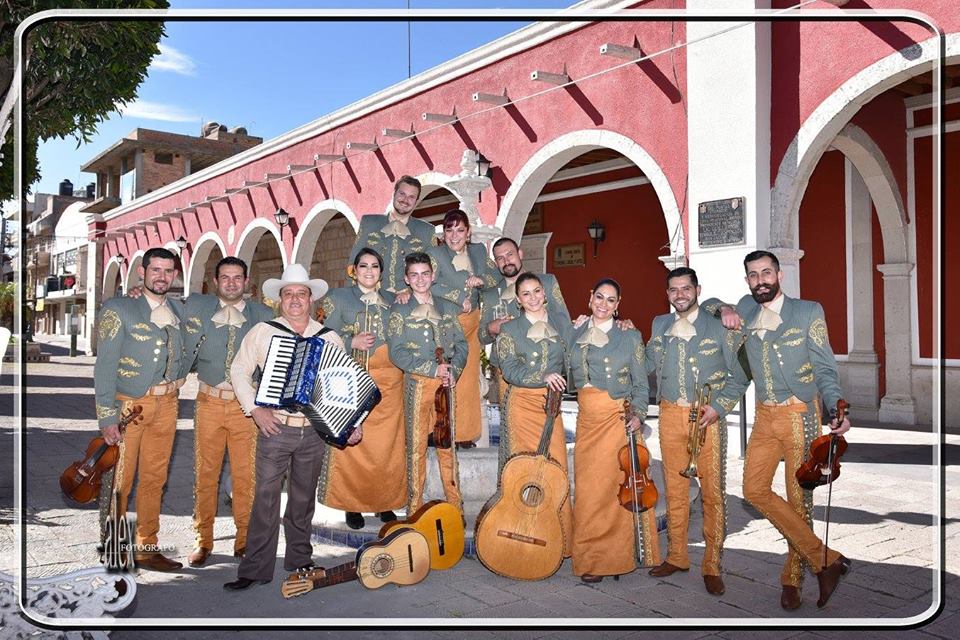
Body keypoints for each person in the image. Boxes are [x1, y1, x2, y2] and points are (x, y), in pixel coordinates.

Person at [702, 250, 852, 610]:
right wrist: (724, 309)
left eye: (766, 273)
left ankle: (793, 578)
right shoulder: (745, 308)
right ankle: (826, 559)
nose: (761, 281)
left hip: (799, 415)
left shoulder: (807, 311)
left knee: (799, 500)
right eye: (753, 275)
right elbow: (708, 306)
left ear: (780, 275)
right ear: (747, 281)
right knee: (753, 490)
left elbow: (825, 368)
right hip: (764, 417)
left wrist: (836, 406)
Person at [224, 263, 360, 591]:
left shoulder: (329, 337)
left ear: (311, 299)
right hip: (276, 427)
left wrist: (350, 423)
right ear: (280, 299)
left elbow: (340, 386)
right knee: (266, 498)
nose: (295, 299)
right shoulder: (263, 331)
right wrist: (255, 409)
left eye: (301, 293)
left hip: (313, 431)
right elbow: (239, 370)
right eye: (288, 294)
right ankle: (255, 568)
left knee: (303, 499)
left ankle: (300, 559)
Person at [645, 267, 742, 596]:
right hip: (669, 414)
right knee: (674, 490)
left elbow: (740, 374)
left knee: (713, 493)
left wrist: (720, 407)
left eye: (686, 288)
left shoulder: (719, 323)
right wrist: (618, 336)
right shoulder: (660, 324)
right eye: (674, 290)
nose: (680, 295)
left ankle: (712, 565)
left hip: (706, 416)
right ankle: (677, 556)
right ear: (667, 294)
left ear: (698, 290)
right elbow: (644, 363)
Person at [94, 247, 186, 572]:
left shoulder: (178, 310)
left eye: (168, 271)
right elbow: (105, 366)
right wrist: (107, 417)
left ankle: (147, 547)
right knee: (120, 482)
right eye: (155, 270)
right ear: (142, 273)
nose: (161, 276)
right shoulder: (119, 308)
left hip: (168, 404)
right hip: (129, 406)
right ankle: (114, 548)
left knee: (154, 479)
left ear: (175, 275)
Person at [179, 257, 274, 567]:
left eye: (237, 278)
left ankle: (244, 537)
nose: (232, 283)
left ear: (246, 282)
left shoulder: (263, 315)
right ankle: (202, 539)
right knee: (205, 473)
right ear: (216, 282)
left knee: (246, 475)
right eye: (225, 277)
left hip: (246, 406)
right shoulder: (198, 307)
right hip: (208, 401)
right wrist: (137, 293)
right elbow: (163, 305)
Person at [568, 278, 660, 583]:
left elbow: (640, 383)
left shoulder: (630, 336)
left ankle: (613, 560)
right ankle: (590, 557)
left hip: (616, 419)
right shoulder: (575, 331)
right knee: (589, 491)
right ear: (590, 298)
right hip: (587, 421)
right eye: (599, 297)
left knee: (614, 490)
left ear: (618, 305)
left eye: (610, 300)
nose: (603, 304)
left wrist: (639, 414)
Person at [317, 248, 406, 530]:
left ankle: (385, 502)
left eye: (375, 266)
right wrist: (350, 341)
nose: (369, 271)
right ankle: (352, 504)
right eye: (364, 266)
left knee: (386, 448)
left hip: (390, 383)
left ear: (381, 272)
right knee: (354, 444)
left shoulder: (393, 299)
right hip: (353, 380)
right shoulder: (338, 297)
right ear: (354, 270)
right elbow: (323, 336)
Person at [494, 271, 573, 556]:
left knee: (558, 469)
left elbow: (579, 351)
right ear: (518, 299)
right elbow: (509, 369)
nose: (533, 298)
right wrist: (544, 376)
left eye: (537, 291)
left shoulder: (560, 324)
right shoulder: (510, 330)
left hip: (551, 405)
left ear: (545, 292)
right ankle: (520, 540)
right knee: (522, 472)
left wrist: (620, 324)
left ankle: (560, 542)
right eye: (526, 294)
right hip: (522, 406)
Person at [386, 252, 468, 513]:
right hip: (418, 385)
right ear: (406, 279)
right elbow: (396, 352)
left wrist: (454, 370)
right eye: (414, 275)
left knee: (447, 445)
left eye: (424, 274)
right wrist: (433, 369)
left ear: (432, 276)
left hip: (446, 384)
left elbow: (461, 344)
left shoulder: (447, 307)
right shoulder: (400, 309)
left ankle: (455, 505)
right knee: (416, 448)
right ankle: (414, 507)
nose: (420, 280)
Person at [427, 209, 501, 448]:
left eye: (460, 230)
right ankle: (437, 431)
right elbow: (427, 284)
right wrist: (458, 296)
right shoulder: (435, 254)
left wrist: (482, 280)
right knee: (442, 376)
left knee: (468, 378)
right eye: (449, 230)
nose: (454, 235)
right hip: (445, 323)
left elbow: (496, 275)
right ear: (444, 234)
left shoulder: (478, 251)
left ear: (468, 233)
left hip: (472, 323)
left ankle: (464, 434)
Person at [479, 237, 570, 405]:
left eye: (510, 254)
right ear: (496, 263)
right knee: (512, 416)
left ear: (520, 253)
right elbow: (481, 336)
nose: (506, 261)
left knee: (549, 416)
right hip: (506, 370)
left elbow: (564, 321)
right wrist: (490, 328)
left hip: (547, 364)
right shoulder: (491, 295)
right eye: (500, 258)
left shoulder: (547, 282)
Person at [348, 175, 436, 294]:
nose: (405, 200)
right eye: (402, 194)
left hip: (409, 299)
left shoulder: (426, 230)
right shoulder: (369, 222)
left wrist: (409, 292)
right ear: (394, 193)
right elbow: (353, 264)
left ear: (416, 201)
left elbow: (433, 269)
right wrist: (353, 295)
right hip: (372, 296)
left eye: (411, 197)